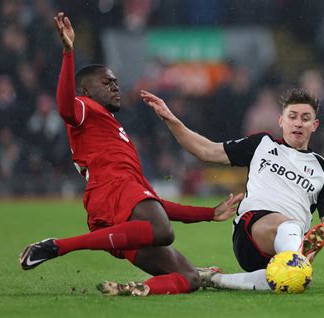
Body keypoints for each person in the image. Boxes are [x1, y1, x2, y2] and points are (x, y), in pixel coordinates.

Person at [19, 12, 243, 297]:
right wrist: (68, 51)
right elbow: (64, 106)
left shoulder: (112, 130)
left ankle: (135, 289)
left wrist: (209, 214)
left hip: (114, 203)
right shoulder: (85, 108)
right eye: (107, 82)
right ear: (86, 90)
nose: (115, 87)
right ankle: (59, 246)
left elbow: (154, 203)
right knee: (162, 230)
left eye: (116, 82)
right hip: (111, 190)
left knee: (188, 277)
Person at [141, 88, 324, 290]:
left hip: (279, 247)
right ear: (281, 120)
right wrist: (171, 120)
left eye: (305, 118)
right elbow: (205, 150)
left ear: (315, 125)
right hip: (250, 231)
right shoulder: (262, 144)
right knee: (289, 227)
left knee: (283, 280)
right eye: (292, 117)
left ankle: (216, 279)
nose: (298, 123)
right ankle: (298, 256)